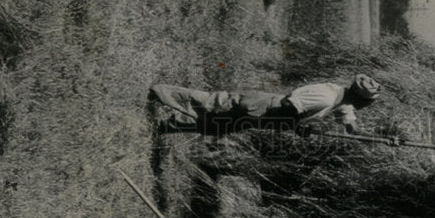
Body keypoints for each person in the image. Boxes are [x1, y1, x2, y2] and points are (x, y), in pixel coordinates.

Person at [148, 74, 381, 136]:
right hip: (265, 107)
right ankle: (160, 92)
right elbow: (291, 106)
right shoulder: (327, 98)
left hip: (268, 116)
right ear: (360, 100)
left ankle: (168, 126)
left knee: (217, 127)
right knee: (213, 103)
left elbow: (350, 124)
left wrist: (381, 137)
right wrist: (299, 127)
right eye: (368, 104)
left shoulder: (342, 100)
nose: (366, 108)